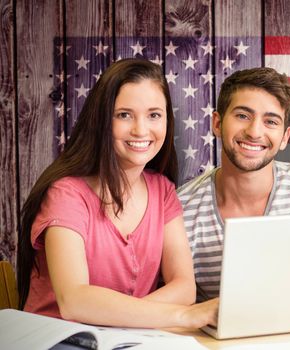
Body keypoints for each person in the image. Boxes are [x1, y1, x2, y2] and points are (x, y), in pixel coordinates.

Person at [17, 59, 218, 328]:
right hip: (57, 341)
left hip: (128, 341)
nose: (141, 130)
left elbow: (184, 288)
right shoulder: (65, 194)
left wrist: (120, 319)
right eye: (124, 114)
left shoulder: (163, 190)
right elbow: (74, 301)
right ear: (101, 121)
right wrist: (183, 315)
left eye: (154, 115)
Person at [177, 67, 290, 301]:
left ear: (285, 138)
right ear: (217, 124)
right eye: (242, 116)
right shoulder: (180, 210)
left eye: (270, 121)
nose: (254, 132)